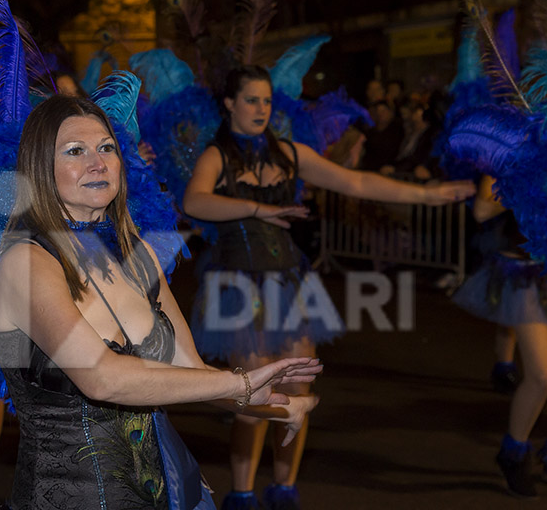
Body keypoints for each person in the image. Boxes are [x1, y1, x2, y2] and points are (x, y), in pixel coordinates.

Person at [0, 95, 324, 509]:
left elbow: (191, 373)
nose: (98, 162)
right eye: (75, 151)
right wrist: (240, 384)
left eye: (106, 148)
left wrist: (279, 407)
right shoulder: (25, 262)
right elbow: (102, 378)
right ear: (40, 168)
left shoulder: (140, 255)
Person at [182, 66, 475, 510]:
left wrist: (429, 195)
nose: (261, 109)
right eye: (251, 100)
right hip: (239, 285)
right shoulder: (216, 156)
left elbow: (356, 182)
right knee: (253, 394)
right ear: (229, 104)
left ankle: (284, 490)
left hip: (291, 283)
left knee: (298, 391)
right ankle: (242, 494)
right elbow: (194, 201)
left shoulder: (288, 154)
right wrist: (258, 208)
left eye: (266, 100)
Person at [452, 175, 547, 497]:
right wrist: (532, 185)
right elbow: (483, 209)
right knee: (542, 374)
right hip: (523, 275)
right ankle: (514, 452)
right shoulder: (511, 152)